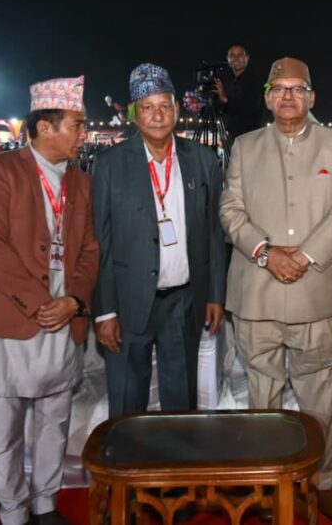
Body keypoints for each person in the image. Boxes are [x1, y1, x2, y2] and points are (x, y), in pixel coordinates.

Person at [220, 57, 332, 521]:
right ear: (267, 98)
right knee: (262, 396)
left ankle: (322, 481)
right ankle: (265, 481)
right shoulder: (244, 146)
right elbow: (230, 209)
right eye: (279, 89)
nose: (288, 96)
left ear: (311, 97)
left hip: (317, 288)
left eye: (297, 89)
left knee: (321, 393)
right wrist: (267, 253)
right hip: (258, 289)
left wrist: (302, 256)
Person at [0, 76, 98, 525]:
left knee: (54, 420)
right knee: (5, 427)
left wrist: (74, 300)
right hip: (14, 316)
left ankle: (45, 502)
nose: (84, 134)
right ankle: (13, 509)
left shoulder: (81, 181)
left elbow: (90, 249)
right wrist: (42, 302)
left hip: (64, 317)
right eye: (77, 125)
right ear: (45, 127)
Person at [92, 63, 226, 415]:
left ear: (177, 110)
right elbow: (100, 241)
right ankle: (128, 452)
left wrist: (215, 294)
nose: (157, 115)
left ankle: (177, 452)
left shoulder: (202, 160)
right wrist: (105, 311)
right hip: (128, 301)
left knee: (181, 404)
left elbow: (213, 231)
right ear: (133, 114)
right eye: (147, 107)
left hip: (184, 300)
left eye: (165, 106)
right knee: (127, 402)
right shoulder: (109, 164)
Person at [213, 43, 265, 145]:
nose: (236, 58)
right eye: (232, 55)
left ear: (247, 58)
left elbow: (251, 106)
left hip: (250, 135)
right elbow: (223, 109)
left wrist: (226, 99)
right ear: (228, 59)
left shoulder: (254, 80)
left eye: (240, 55)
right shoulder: (227, 80)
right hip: (232, 135)